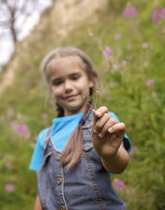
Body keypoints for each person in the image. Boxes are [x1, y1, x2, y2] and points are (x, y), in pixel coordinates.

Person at [29, 47, 131, 210]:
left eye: (75, 77)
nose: (67, 87)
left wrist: (109, 154)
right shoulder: (44, 138)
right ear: (51, 89)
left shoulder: (103, 121)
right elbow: (42, 192)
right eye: (58, 82)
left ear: (90, 80)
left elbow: (118, 166)